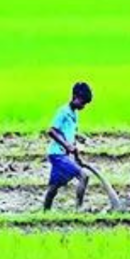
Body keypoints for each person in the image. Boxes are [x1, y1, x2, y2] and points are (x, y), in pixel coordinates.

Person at [43, 82, 93, 211]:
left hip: (62, 155)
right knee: (84, 176)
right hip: (57, 154)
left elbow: (69, 133)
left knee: (54, 186)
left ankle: (45, 212)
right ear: (75, 97)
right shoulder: (63, 112)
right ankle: (78, 209)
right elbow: (51, 131)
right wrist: (66, 145)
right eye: (82, 102)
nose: (83, 106)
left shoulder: (74, 113)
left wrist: (78, 138)